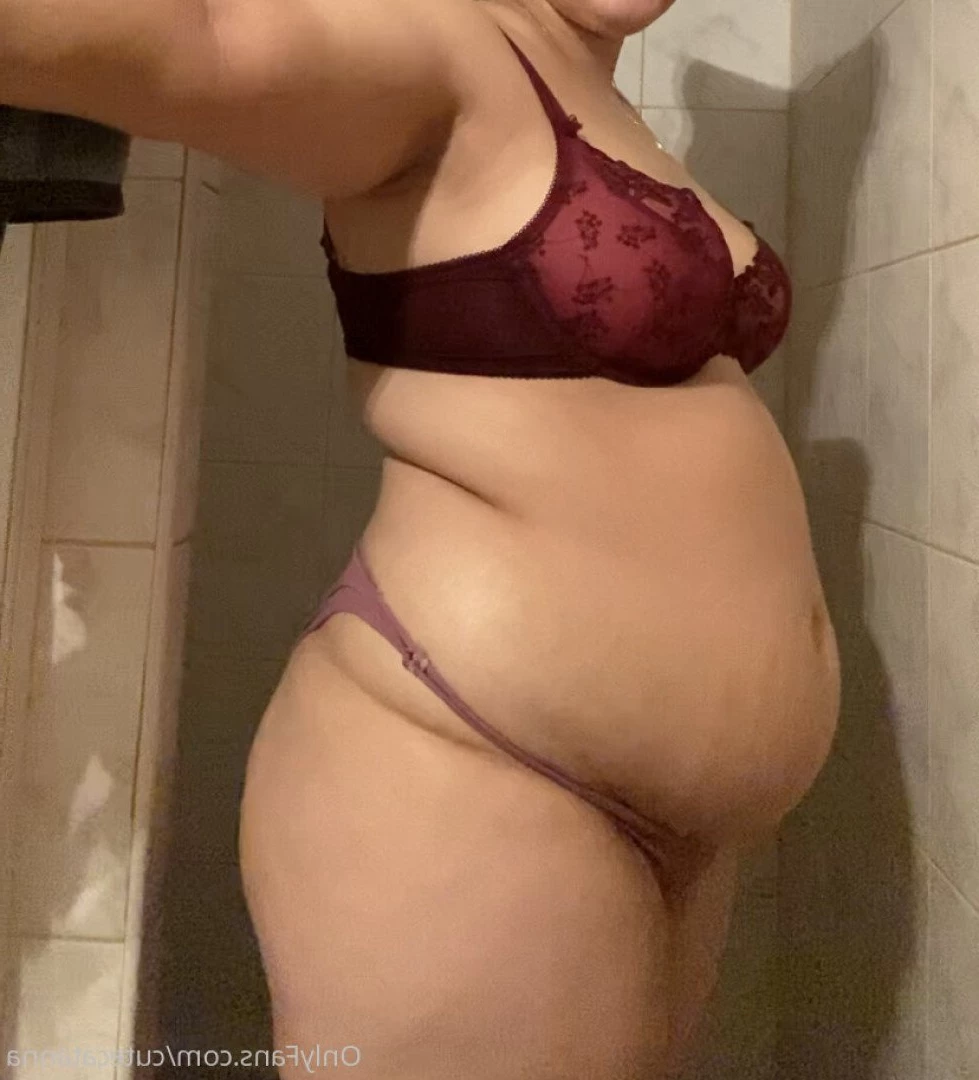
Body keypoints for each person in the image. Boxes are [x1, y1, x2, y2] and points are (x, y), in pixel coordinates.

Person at [1, 0, 842, 1075]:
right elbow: (184, 43)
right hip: (472, 765)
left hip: (666, 827)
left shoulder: (605, 104)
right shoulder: (427, 45)